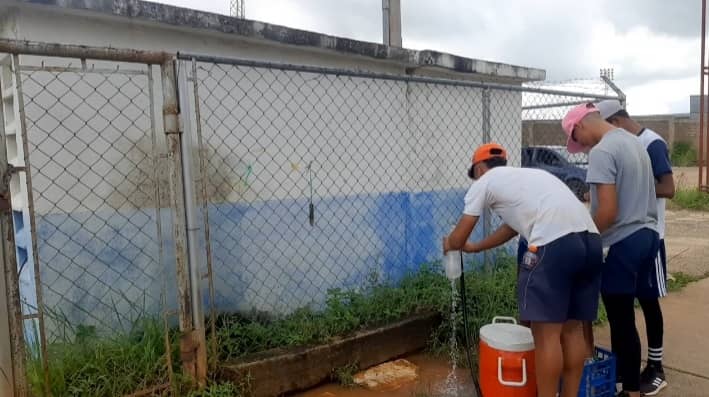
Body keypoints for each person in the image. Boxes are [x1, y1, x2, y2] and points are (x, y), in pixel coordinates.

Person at [443, 142, 602, 397]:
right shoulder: (530, 178)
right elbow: (512, 227)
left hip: (554, 244)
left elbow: (459, 237)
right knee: (572, 329)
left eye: (474, 176)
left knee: (546, 335)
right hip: (590, 241)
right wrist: (477, 248)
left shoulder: (484, 182)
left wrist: (450, 244)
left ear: (480, 169)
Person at [562, 103, 660, 397]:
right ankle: (625, 384)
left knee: (621, 323)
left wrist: (582, 241)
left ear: (580, 126)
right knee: (627, 318)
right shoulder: (633, 142)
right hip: (648, 237)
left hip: (623, 243)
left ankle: (629, 390)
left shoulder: (602, 151)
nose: (581, 146)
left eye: (577, 140)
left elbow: (607, 212)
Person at [597, 99, 674, 396]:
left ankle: (656, 367)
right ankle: (627, 371)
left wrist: (631, 185)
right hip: (624, 237)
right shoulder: (623, 145)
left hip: (649, 233)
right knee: (624, 308)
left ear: (615, 122)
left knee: (649, 299)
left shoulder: (650, 143)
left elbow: (668, 187)